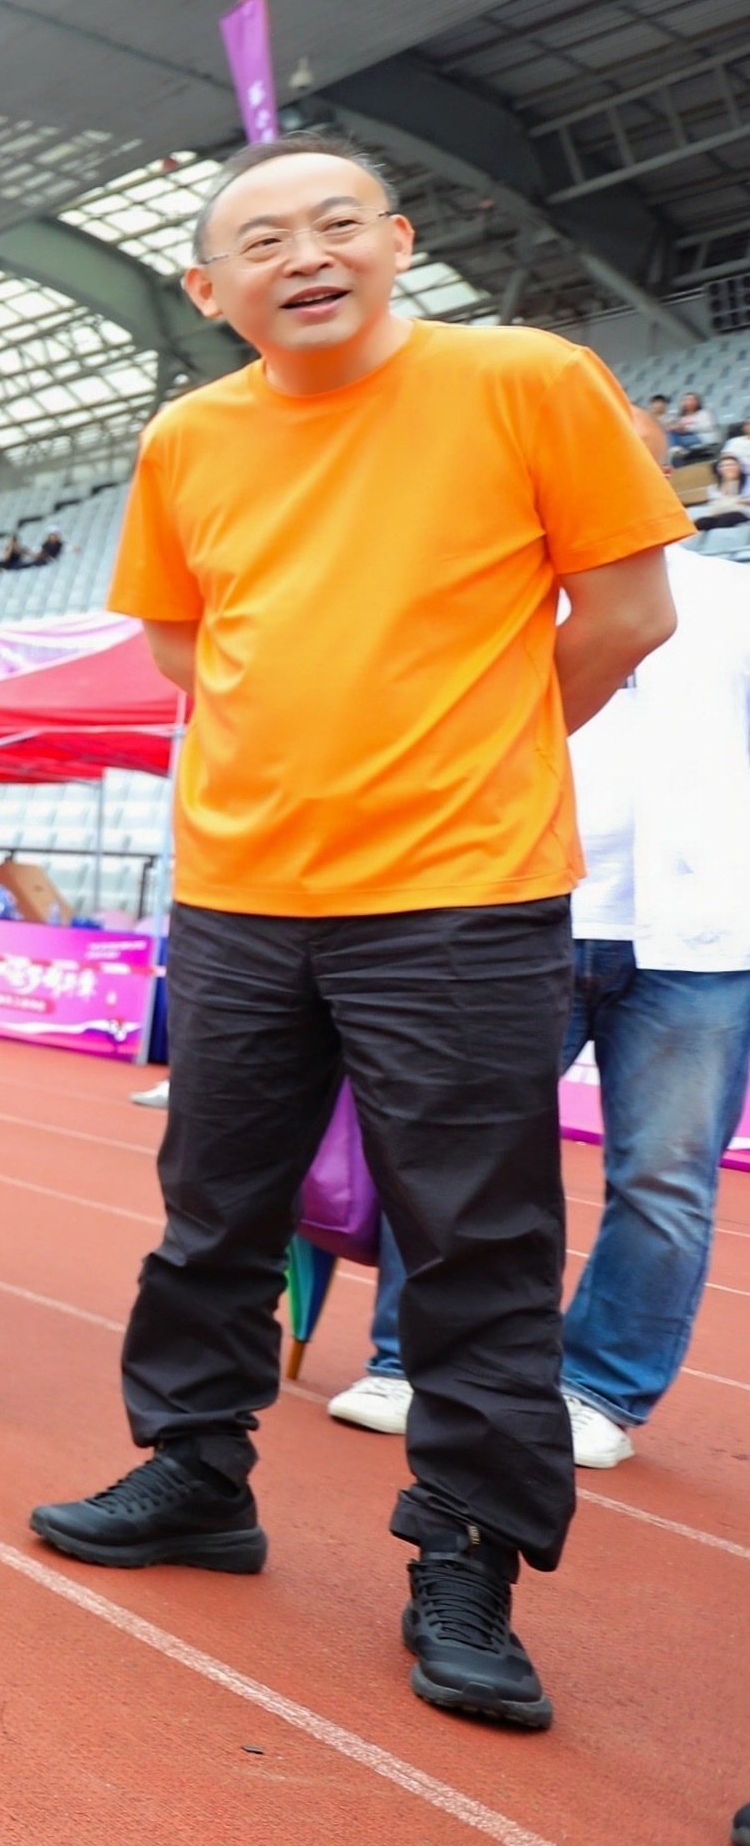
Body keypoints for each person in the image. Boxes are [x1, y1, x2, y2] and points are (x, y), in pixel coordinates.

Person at [27, 133, 682, 1738]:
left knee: (472, 1242)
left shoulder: (524, 379)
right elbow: (183, 644)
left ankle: (464, 1557)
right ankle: (194, 1473)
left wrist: (474, 747)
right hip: (242, 889)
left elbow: (623, 614)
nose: (301, 254)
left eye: (334, 223)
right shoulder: (188, 435)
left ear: (396, 238)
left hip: (456, 889)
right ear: (204, 288)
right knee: (210, 1208)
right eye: (258, 239)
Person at [328, 398, 750, 1472]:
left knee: (663, 1175)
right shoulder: (486, 589)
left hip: (694, 939)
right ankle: (403, 1355)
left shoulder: (733, 601)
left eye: (638, 464)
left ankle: (598, 1386)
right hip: (510, 910)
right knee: (454, 1154)